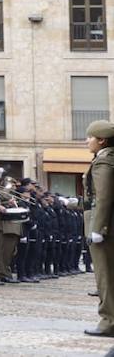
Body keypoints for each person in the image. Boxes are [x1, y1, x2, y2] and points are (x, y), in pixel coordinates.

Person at [84, 119, 114, 337]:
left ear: (101, 140)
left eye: (90, 137)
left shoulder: (103, 161)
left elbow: (103, 197)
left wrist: (98, 228)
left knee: (105, 276)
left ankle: (108, 322)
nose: (87, 141)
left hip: (104, 228)